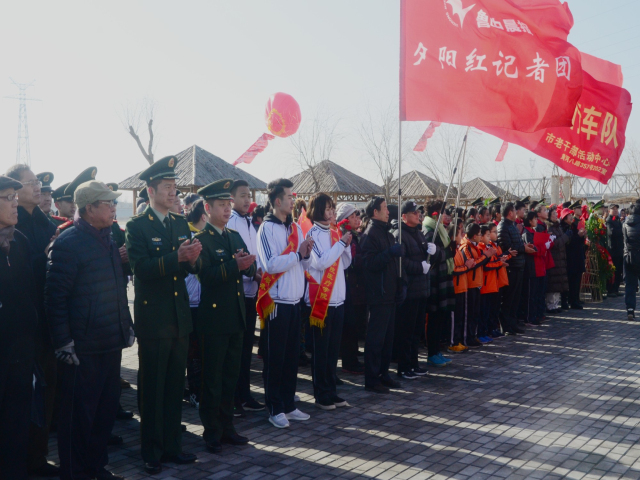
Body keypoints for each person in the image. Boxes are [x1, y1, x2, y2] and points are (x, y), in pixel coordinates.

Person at [45, 180, 134, 480]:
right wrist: (63, 342)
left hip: (110, 342)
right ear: (89, 208)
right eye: (108, 203)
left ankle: (96, 466)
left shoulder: (108, 239)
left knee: (104, 413)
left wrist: (126, 326)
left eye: (114, 203)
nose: (113, 208)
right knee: (77, 416)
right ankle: (75, 472)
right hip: (81, 347)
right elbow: (55, 298)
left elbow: (117, 290)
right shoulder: (69, 242)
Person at [125, 155, 202, 474]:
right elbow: (140, 268)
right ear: (151, 190)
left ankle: (172, 446)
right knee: (153, 388)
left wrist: (193, 259)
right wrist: (177, 257)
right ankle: (151, 451)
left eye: (174, 187)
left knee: (173, 387)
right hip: (154, 320)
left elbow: (190, 267)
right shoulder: (136, 226)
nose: (173, 193)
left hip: (179, 318)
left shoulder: (180, 223)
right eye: (167, 187)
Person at [195, 179, 257, 452]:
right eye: (221, 205)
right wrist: (235, 265)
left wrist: (247, 265)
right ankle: (212, 432)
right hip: (214, 320)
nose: (227, 209)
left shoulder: (233, 236)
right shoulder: (201, 240)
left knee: (230, 376)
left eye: (228, 204)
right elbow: (206, 276)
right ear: (207, 208)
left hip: (235, 316)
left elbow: (246, 267)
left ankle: (228, 427)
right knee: (212, 378)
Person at [6, 163, 59, 477]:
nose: (37, 186)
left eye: (37, 181)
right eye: (30, 182)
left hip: (48, 323)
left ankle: (38, 456)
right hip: (19, 328)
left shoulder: (49, 223)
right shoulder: (12, 227)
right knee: (18, 398)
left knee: (46, 392)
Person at [256, 178, 313, 428]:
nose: (293, 200)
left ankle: (289, 404)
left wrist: (306, 253)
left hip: (295, 302)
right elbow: (270, 265)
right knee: (275, 359)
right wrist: (298, 254)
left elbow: (303, 262)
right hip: (276, 302)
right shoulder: (266, 228)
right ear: (277, 201)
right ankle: (274, 407)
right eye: (289, 197)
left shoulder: (295, 227)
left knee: (291, 358)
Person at [0, 176, 39, 480]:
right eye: (8, 198)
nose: (15, 204)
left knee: (17, 419)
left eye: (16, 197)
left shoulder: (20, 241)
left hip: (21, 349)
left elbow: (31, 293)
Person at [304, 193, 352, 409]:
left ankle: (332, 390)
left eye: (333, 208)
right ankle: (321, 393)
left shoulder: (334, 232)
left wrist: (345, 245)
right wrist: (341, 244)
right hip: (321, 300)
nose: (332, 212)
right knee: (321, 351)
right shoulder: (311, 234)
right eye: (328, 208)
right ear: (317, 211)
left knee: (333, 351)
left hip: (338, 299)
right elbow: (321, 262)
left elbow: (344, 263)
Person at [227, 180, 265, 415]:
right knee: (236, 349)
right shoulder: (231, 222)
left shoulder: (250, 222)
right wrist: (253, 273)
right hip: (238, 292)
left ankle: (244, 393)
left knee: (246, 347)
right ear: (231, 199)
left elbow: (255, 254)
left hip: (252, 291)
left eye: (249, 195)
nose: (247, 200)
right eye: (242, 195)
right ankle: (234, 397)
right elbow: (236, 258)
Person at [361, 197, 402, 394]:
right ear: (375, 212)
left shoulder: (386, 232)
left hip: (390, 292)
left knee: (388, 339)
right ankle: (371, 378)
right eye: (384, 208)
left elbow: (393, 264)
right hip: (379, 293)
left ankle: (384, 374)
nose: (388, 212)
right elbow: (369, 264)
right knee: (376, 339)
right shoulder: (370, 234)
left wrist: (400, 284)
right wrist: (390, 253)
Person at [393, 201, 435, 378]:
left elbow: (423, 254)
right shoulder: (400, 235)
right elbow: (401, 262)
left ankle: (414, 364)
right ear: (404, 216)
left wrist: (431, 251)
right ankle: (404, 367)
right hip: (409, 290)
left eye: (418, 212)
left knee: (416, 331)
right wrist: (420, 267)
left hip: (421, 288)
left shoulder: (418, 232)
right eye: (414, 212)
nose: (418, 215)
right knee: (406, 331)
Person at [422, 201, 456, 365]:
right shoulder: (430, 231)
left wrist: (450, 249)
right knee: (434, 318)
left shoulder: (440, 230)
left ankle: (437, 350)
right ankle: (432, 352)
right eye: (442, 212)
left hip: (443, 277)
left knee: (441, 316)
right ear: (436, 214)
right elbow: (432, 255)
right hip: (435, 279)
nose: (445, 216)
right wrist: (447, 252)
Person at [184, 199, 207, 409]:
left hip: (203, 303)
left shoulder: (204, 236)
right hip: (190, 303)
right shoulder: (189, 237)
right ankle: (194, 392)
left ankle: (199, 390)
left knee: (201, 351)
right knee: (193, 353)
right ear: (203, 216)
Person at [337, 204, 366, 375]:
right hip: (348, 287)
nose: (357, 219)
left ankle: (352, 356)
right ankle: (349, 361)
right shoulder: (344, 237)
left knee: (354, 325)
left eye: (357, 216)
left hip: (356, 288)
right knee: (349, 326)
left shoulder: (355, 236)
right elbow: (351, 263)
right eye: (353, 216)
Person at [497, 202, 534, 335]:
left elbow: (517, 243)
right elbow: (508, 247)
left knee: (515, 298)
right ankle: (507, 325)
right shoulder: (503, 227)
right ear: (510, 213)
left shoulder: (512, 225)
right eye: (514, 210)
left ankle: (513, 323)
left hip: (519, 265)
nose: (516, 213)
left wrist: (524, 246)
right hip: (511, 267)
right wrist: (523, 248)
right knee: (509, 298)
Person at [563, 202, 587, 310]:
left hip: (578, 254)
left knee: (577, 279)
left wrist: (582, 236)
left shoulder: (576, 224)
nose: (571, 217)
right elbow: (570, 241)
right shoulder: (569, 226)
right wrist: (579, 236)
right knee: (573, 280)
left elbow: (578, 241)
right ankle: (572, 300)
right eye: (569, 216)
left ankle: (575, 299)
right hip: (572, 256)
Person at [623, 202, 640, 320]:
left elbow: (625, 240)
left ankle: (630, 309)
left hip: (628, 256)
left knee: (630, 284)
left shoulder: (625, 223)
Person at [607, 204, 624, 297]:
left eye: (616, 209)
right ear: (609, 211)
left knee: (618, 271)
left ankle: (616, 289)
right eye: (613, 209)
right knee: (612, 271)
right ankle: (611, 290)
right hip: (613, 250)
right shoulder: (609, 220)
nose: (615, 210)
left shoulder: (618, 220)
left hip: (619, 249)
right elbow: (611, 232)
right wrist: (622, 230)